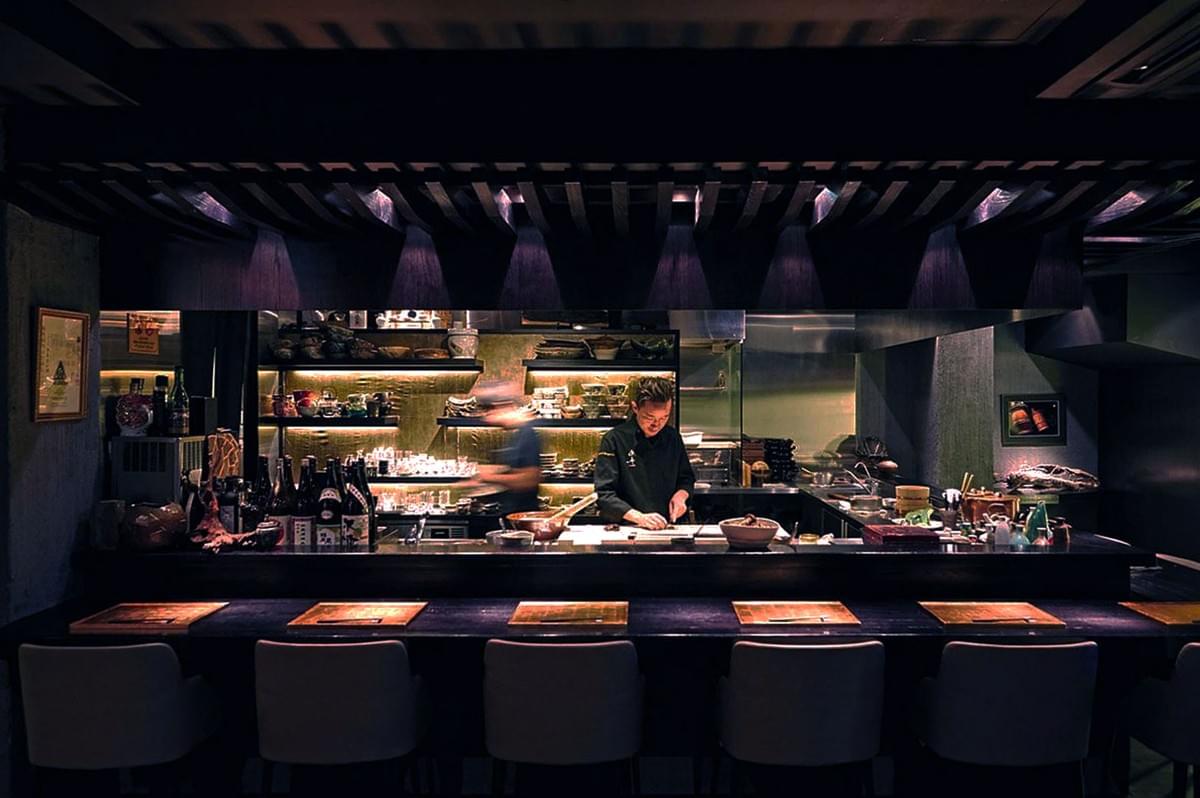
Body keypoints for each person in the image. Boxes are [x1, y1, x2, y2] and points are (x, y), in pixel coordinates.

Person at [595, 376, 695, 529]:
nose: (657, 424)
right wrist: (639, 517)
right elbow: (605, 494)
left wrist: (681, 496)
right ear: (635, 408)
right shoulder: (614, 439)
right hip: (627, 527)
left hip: (667, 526)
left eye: (664, 417)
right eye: (649, 417)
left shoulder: (672, 437)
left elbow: (686, 479)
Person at [460, 382, 542, 515]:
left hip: (520, 519)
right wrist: (496, 471)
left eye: (488, 410)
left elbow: (528, 479)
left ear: (501, 406)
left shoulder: (527, 433)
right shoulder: (516, 434)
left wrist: (487, 477)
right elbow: (516, 470)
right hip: (511, 514)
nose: (487, 418)